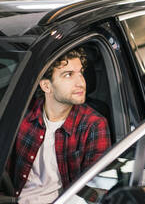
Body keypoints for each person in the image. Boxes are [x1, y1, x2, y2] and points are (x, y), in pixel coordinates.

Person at [6, 48, 111, 204]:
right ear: (46, 86)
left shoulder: (93, 124)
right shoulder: (23, 115)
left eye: (80, 72)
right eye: (68, 75)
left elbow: (96, 191)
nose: (81, 82)